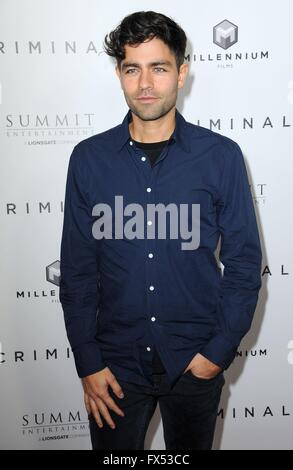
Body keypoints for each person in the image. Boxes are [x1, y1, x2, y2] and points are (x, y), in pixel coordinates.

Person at [59, 11, 262, 450]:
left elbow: (245, 265)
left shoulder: (221, 157)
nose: (145, 83)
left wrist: (215, 355)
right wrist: (88, 362)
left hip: (195, 363)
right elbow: (76, 272)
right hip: (113, 371)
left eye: (159, 67)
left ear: (181, 73)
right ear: (119, 74)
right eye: (132, 69)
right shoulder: (89, 159)